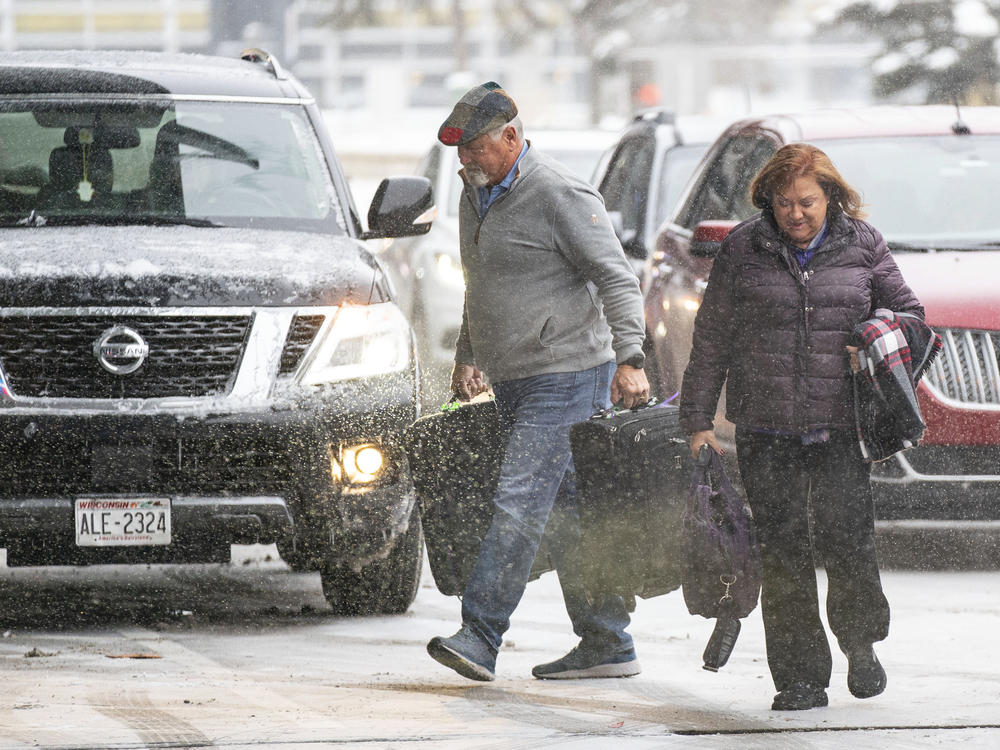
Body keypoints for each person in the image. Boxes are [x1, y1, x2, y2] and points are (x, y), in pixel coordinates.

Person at [679, 143, 923, 711]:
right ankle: (800, 678)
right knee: (783, 552)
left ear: (830, 197)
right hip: (767, 427)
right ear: (768, 200)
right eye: (785, 203)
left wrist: (877, 331)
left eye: (808, 202)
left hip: (842, 426)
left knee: (849, 543)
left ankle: (860, 644)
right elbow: (711, 338)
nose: (796, 214)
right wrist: (697, 421)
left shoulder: (863, 244)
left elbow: (912, 315)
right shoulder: (744, 248)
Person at [426, 81, 650, 682]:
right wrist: (468, 352)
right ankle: (607, 640)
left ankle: (480, 635)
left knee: (520, 501)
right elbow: (482, 281)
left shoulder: (559, 193)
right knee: (569, 509)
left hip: (570, 373)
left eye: (473, 147)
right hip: (514, 377)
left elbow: (617, 279)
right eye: (458, 149)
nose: (464, 159)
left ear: (511, 137)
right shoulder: (475, 192)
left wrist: (631, 356)